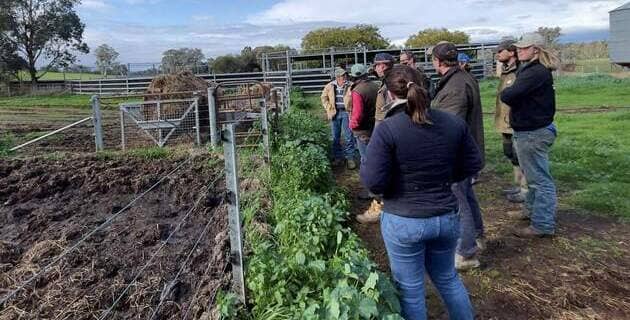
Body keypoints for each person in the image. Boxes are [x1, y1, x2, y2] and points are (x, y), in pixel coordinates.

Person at [361, 65, 480, 320]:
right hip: (446, 216)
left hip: (404, 220)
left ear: (390, 95)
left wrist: (394, 190)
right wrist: (443, 180)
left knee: (410, 289)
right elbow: (473, 164)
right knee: (448, 278)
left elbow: (373, 182)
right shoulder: (452, 123)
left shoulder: (388, 129)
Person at [430, 41, 485, 270]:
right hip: (466, 149)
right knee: (466, 194)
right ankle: (477, 236)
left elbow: (448, 126)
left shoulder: (455, 87)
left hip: (455, 153)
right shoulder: (461, 78)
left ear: (439, 61)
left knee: (457, 200)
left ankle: (466, 253)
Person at [500, 32, 559, 238]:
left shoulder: (534, 72)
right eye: (519, 47)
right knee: (534, 178)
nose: (519, 50)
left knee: (540, 181)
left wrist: (508, 91)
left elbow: (509, 95)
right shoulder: (534, 70)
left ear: (536, 49)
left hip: (532, 133)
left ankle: (542, 224)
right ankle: (531, 213)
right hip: (531, 130)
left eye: (525, 47)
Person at [356, 53, 395, 224]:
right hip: (383, 130)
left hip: (388, 132)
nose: (380, 67)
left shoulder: (392, 84)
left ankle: (380, 206)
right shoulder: (380, 84)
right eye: (377, 64)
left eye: (384, 64)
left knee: (379, 166)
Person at [495, 39, 528, 203]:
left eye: (500, 50)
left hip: (515, 121)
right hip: (504, 121)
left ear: (511, 51)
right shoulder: (505, 71)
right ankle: (518, 185)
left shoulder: (520, 71)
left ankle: (525, 189)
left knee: (521, 155)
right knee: (510, 154)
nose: (498, 53)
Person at [320, 67, 357, 169]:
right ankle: (338, 157)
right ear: (337, 77)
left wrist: (353, 109)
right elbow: (323, 98)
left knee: (349, 136)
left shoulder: (351, 85)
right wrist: (328, 108)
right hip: (334, 113)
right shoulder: (330, 86)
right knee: (335, 136)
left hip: (347, 113)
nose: (345, 77)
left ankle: (350, 158)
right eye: (342, 75)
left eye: (345, 75)